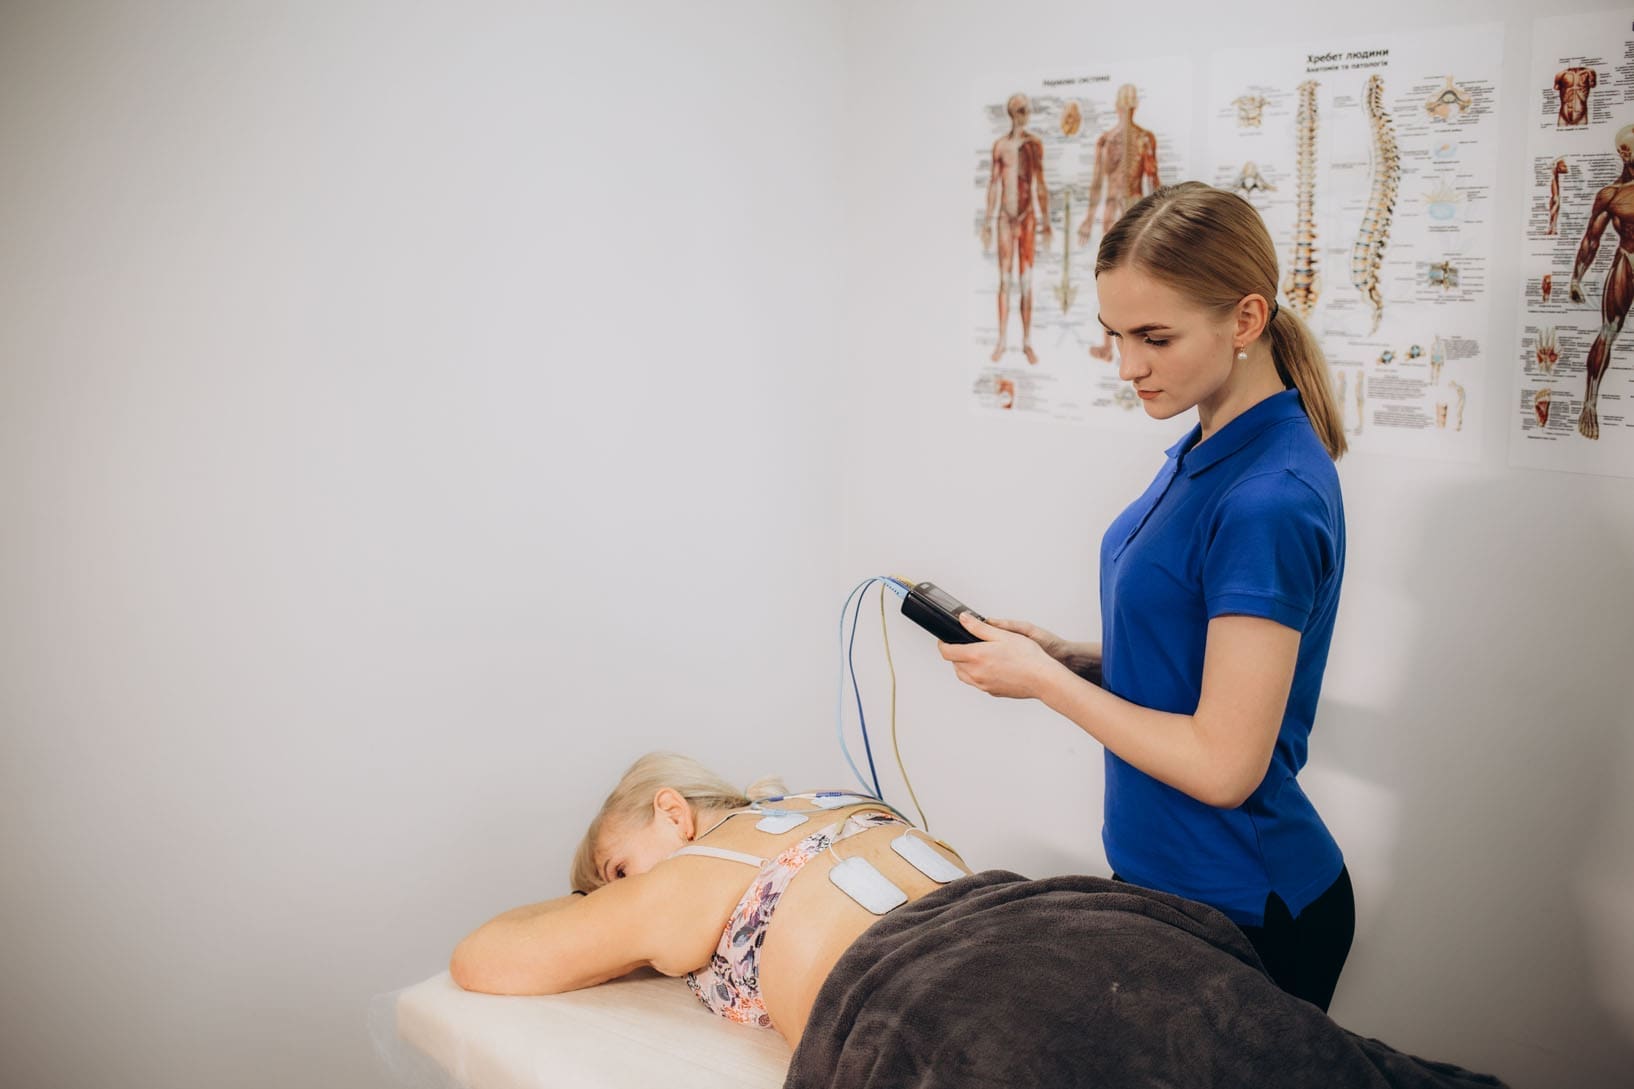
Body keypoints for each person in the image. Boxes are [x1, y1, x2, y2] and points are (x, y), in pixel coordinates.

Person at [449, 752, 1509, 1089]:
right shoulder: (830, 805)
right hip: (1080, 922)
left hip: (947, 990)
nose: (612, 898)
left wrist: (607, 904)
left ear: (672, 814)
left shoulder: (697, 868)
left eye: (611, 869)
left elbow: (484, 958)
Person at [939, 181, 1354, 1012]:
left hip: (1244, 905)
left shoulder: (1268, 496)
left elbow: (1223, 765)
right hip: (1166, 878)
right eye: (1117, 335)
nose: (1128, 366)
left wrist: (1043, 682)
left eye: (1155, 338)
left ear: (1246, 319)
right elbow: (1199, 653)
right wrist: (1070, 656)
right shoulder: (1208, 445)